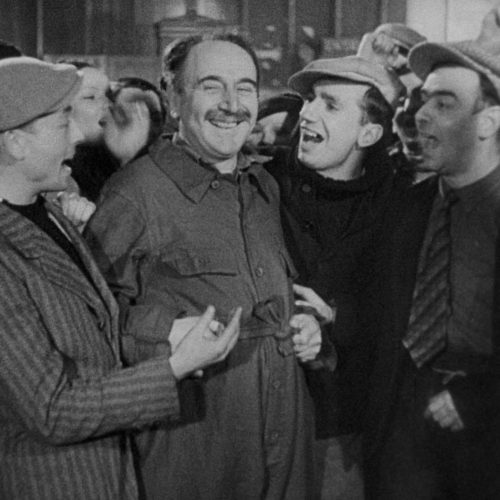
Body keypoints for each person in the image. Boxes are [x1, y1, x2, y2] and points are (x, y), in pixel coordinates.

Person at [85, 33, 321, 500]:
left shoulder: (264, 188)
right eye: (211, 86)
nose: (232, 104)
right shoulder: (135, 195)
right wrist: (162, 331)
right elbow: (85, 323)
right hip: (196, 460)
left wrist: (308, 326)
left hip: (286, 456)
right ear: (174, 99)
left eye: (245, 88)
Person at [0, 56, 241, 500]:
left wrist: (168, 338)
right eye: (62, 124)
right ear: (15, 142)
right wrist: (174, 367)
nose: (77, 137)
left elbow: (94, 339)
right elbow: (52, 409)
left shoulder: (49, 213)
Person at [363, 37, 500, 499]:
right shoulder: (408, 207)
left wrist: (482, 399)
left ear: (489, 122)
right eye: (424, 100)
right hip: (404, 411)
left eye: (445, 104)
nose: (420, 115)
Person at [264, 55, 403, 499]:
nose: (306, 113)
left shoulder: (400, 205)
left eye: (330, 104)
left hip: (341, 432)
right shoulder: (262, 181)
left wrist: (337, 320)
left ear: (369, 133)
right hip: (258, 420)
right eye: (309, 99)